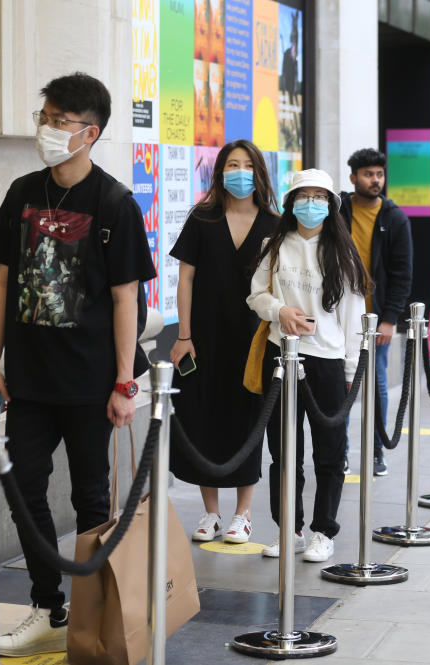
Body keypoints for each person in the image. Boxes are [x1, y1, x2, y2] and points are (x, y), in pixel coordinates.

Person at [0, 72, 156, 656]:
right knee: (24, 485)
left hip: (91, 381)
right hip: (28, 379)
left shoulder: (115, 203)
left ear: (91, 133)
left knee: (91, 498)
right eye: (46, 117)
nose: (49, 130)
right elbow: (4, 280)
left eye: (62, 121)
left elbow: (127, 297)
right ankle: (47, 604)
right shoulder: (22, 192)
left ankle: (88, 612)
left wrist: (125, 381)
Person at [247, 168, 368, 563]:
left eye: (319, 197)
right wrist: (280, 311)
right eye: (304, 195)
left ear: (330, 205)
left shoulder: (342, 250)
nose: (311, 203)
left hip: (328, 362)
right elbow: (256, 295)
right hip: (282, 357)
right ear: (291, 202)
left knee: (330, 452)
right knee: (284, 452)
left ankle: (323, 531)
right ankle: (290, 530)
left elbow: (353, 316)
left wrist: (352, 371)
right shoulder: (275, 244)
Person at [168, 139, 279, 544]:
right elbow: (186, 278)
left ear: (259, 172)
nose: (239, 172)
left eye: (247, 165)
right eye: (232, 164)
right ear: (220, 172)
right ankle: (211, 513)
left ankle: (243, 514)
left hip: (253, 341)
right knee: (204, 420)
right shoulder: (203, 218)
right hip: (203, 338)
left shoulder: (273, 223)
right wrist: (184, 335)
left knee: (247, 421)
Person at [339, 148, 413, 477]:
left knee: (377, 382)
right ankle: (339, 451)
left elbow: (402, 273)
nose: (375, 180)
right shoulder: (339, 211)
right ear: (353, 177)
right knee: (340, 384)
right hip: (339, 316)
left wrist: (389, 319)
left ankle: (377, 449)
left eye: (379, 174)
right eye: (368, 174)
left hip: (375, 317)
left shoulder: (394, 218)